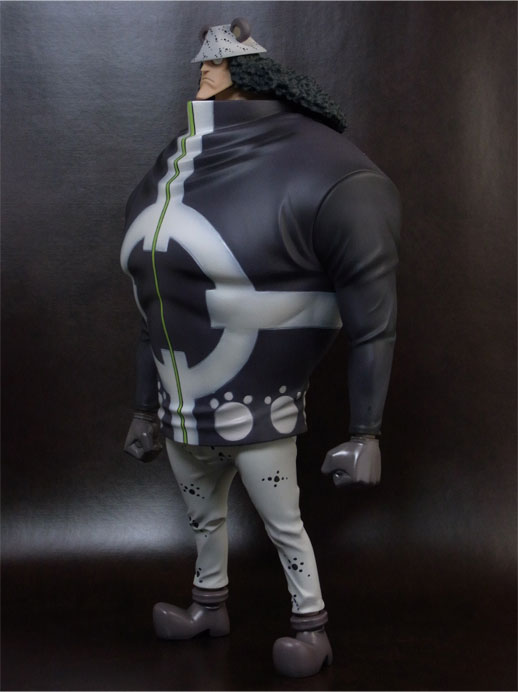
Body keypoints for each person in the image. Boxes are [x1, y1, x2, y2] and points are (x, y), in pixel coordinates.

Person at [121, 19, 400, 678]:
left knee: (283, 526)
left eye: (215, 63)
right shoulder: (172, 166)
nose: (203, 71)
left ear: (245, 73)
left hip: (258, 413)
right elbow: (153, 307)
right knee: (204, 523)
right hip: (182, 411)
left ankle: (311, 625)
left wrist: (366, 432)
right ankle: (207, 605)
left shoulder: (333, 171)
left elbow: (373, 321)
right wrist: (144, 408)